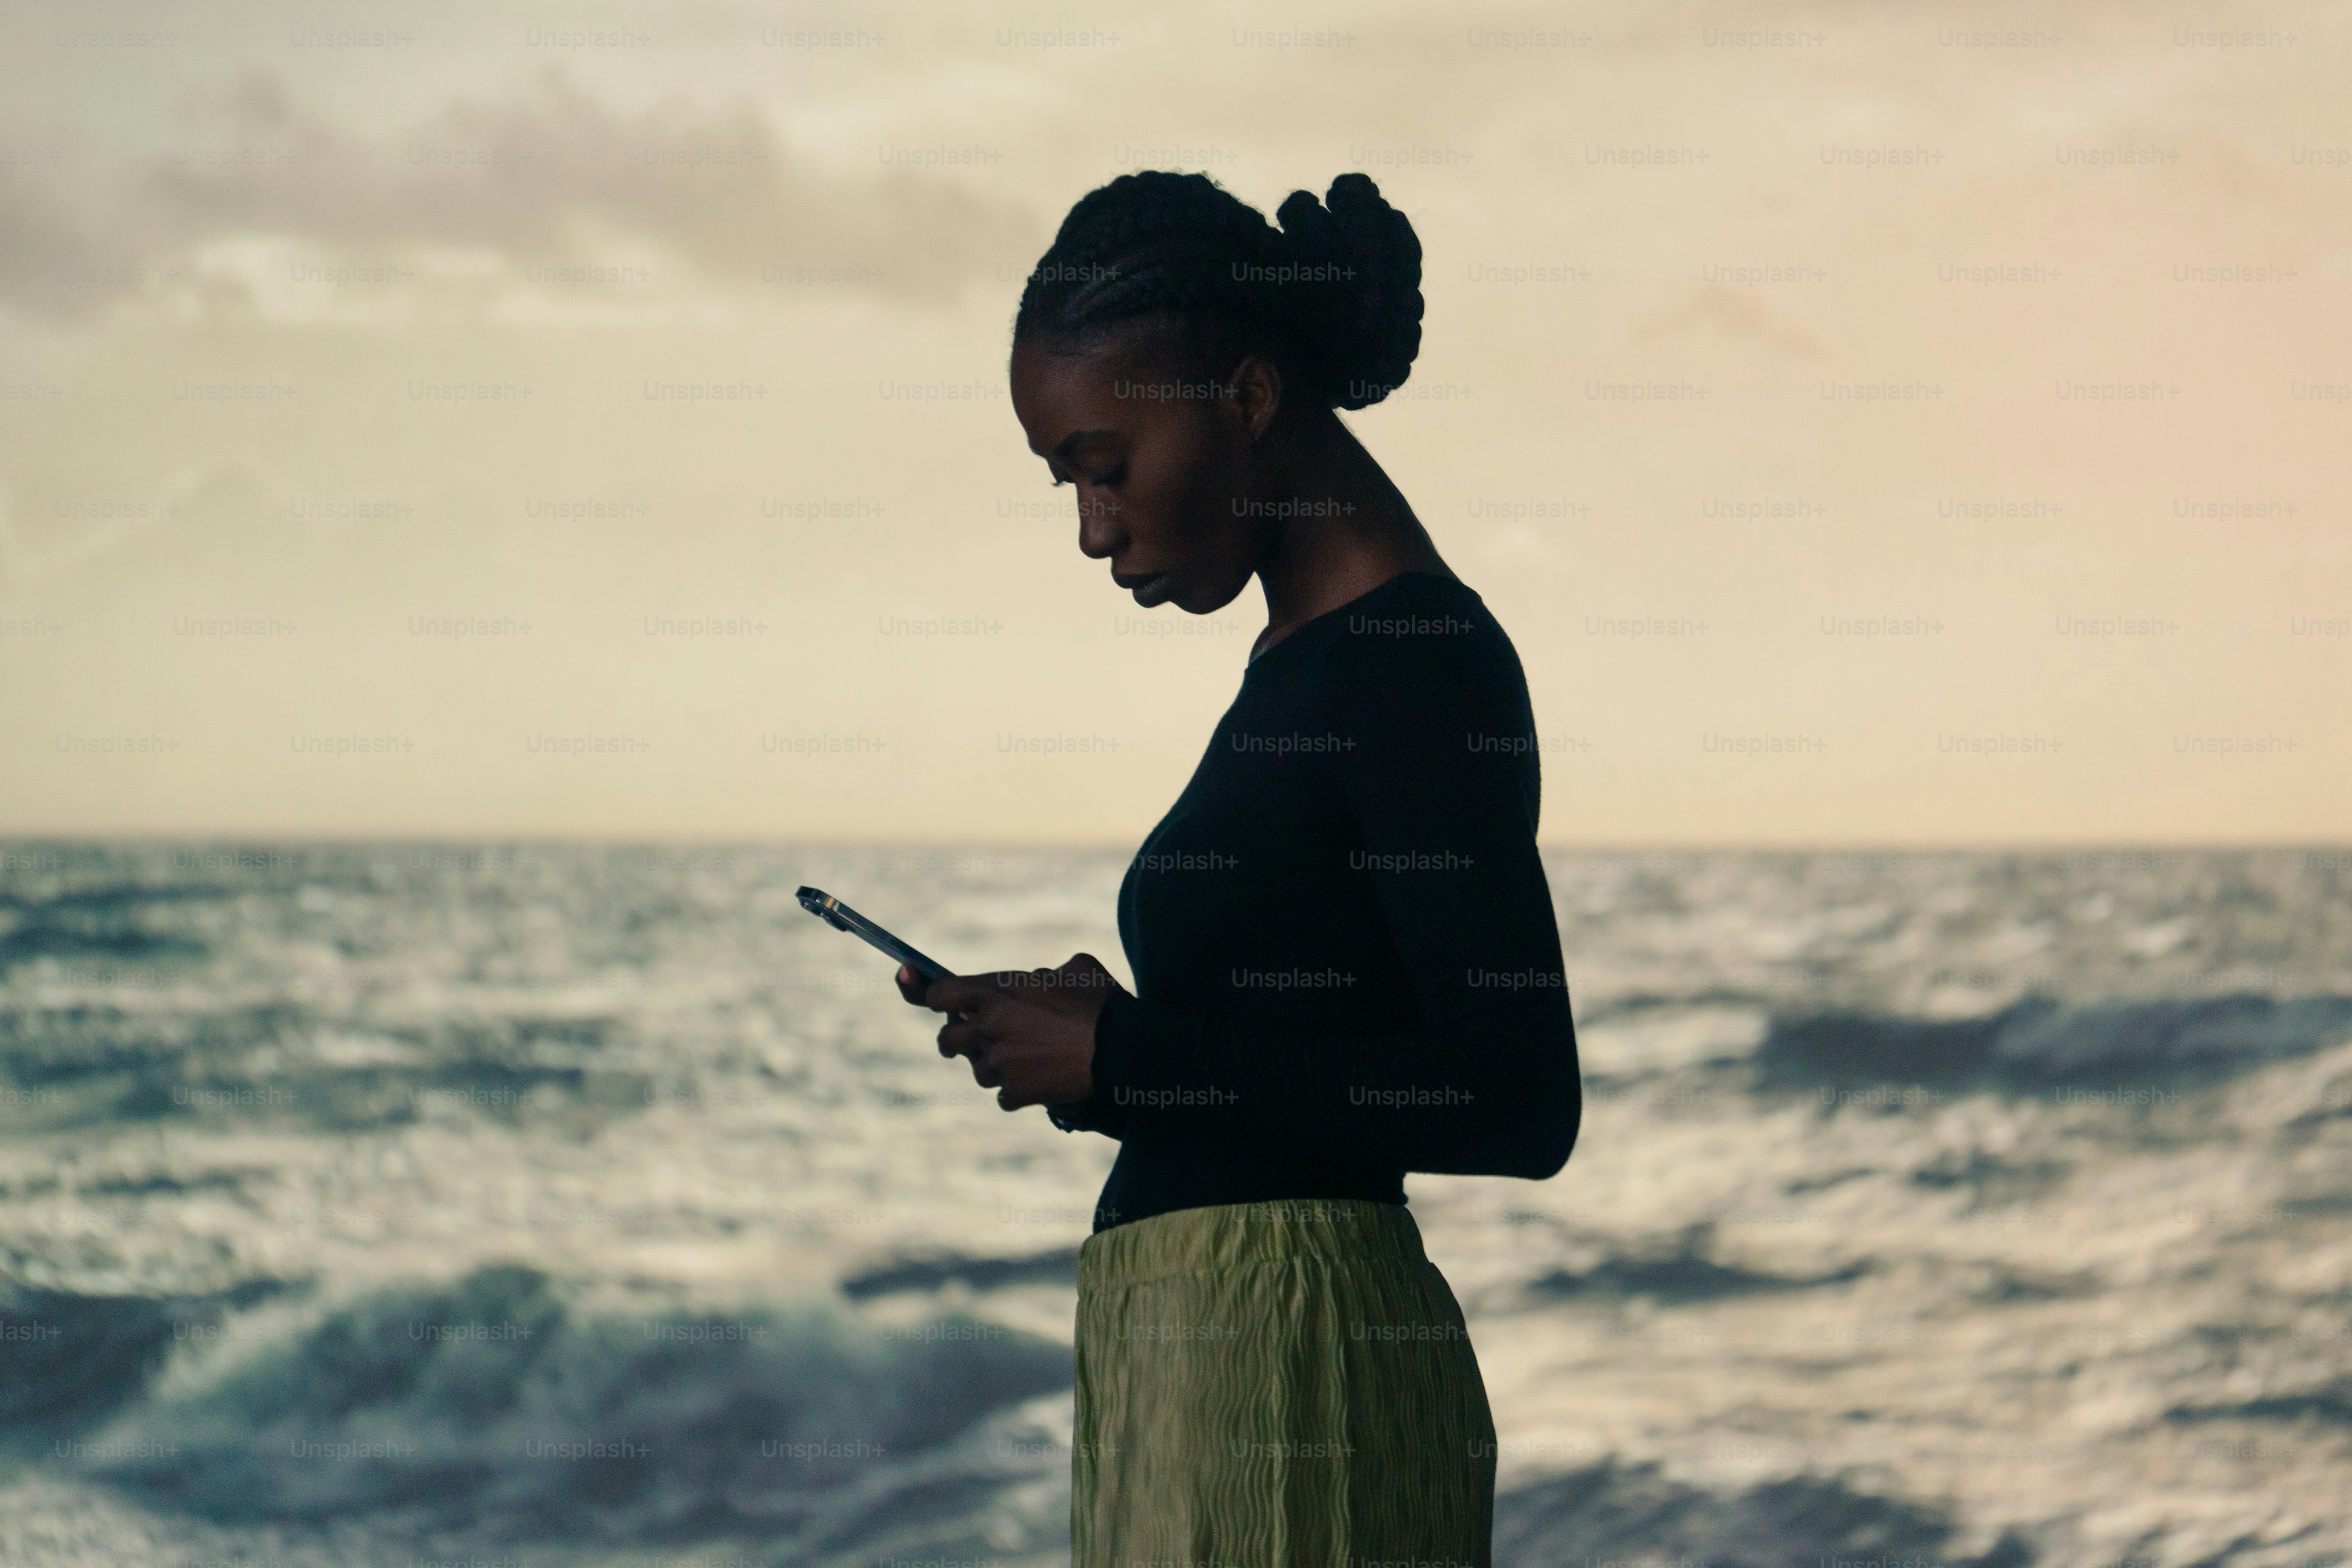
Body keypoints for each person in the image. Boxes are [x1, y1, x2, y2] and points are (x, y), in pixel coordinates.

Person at [896, 168, 1581, 1568]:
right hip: (1214, 1369)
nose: (1093, 530)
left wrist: (1136, 1056)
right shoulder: (1308, 662)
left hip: (1291, 1381)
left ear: (1249, 402)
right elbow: (1313, 1065)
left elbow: (1514, 1097)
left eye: (1105, 466)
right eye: (1065, 483)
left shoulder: (1408, 660)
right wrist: (1093, 1056)